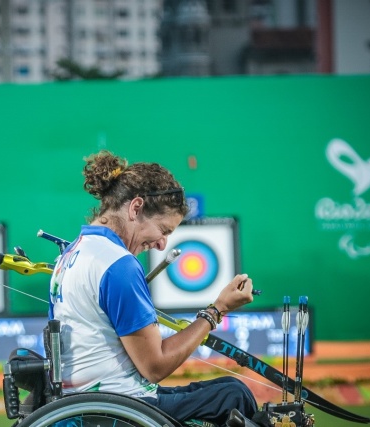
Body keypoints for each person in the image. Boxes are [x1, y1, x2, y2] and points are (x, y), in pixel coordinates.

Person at [48, 150, 258, 427]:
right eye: (163, 229)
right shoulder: (118, 264)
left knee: (229, 391)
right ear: (135, 208)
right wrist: (217, 310)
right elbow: (154, 367)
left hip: (89, 405)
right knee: (234, 396)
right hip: (117, 410)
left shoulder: (71, 253)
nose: (161, 244)